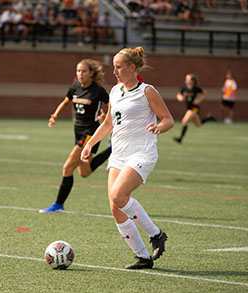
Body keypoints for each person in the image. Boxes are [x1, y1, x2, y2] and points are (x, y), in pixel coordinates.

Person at [81, 47, 174, 269]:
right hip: (119, 155)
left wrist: (159, 127)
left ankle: (156, 234)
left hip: (141, 153)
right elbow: (108, 124)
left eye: (119, 67)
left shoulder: (147, 91)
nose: (114, 71)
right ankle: (143, 257)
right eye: (113, 66)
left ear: (132, 68)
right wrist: (90, 144)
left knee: (119, 195)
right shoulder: (114, 91)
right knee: (115, 206)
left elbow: (168, 119)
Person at [39, 59, 111, 213]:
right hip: (78, 132)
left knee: (67, 167)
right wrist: (55, 115)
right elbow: (66, 102)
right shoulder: (75, 88)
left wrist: (105, 115)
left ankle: (58, 205)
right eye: (78, 71)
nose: (81, 74)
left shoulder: (98, 91)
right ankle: (111, 149)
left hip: (90, 133)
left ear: (91, 73)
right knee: (84, 173)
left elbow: (111, 103)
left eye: (84, 71)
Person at [173, 73, 216, 143]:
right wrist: (180, 98)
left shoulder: (196, 88)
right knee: (198, 124)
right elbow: (179, 94)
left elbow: (205, 93)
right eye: (186, 79)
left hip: (194, 108)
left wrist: (200, 100)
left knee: (184, 121)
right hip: (189, 108)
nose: (187, 80)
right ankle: (209, 118)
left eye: (188, 79)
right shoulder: (184, 88)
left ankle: (180, 138)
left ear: (192, 80)